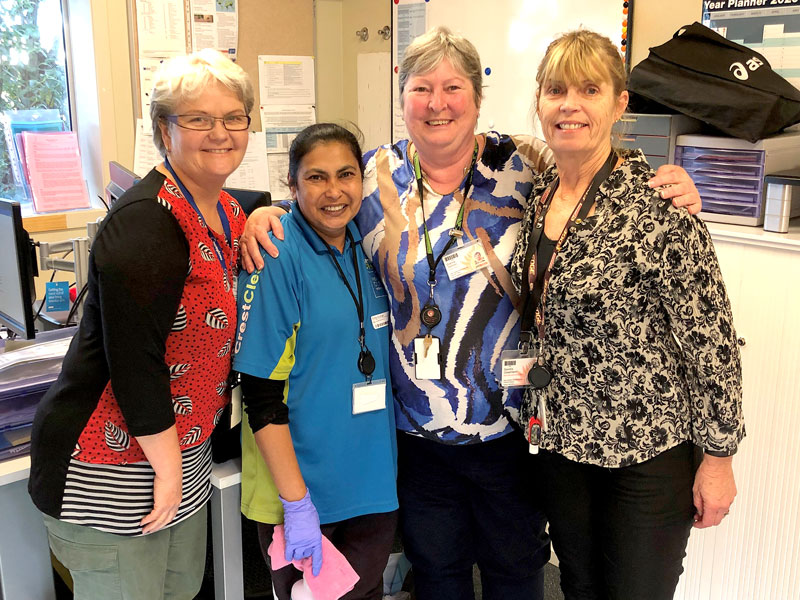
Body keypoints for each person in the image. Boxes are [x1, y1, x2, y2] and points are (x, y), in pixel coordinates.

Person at [241, 26, 702, 600]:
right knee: (438, 573)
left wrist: (670, 178)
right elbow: (320, 198)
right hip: (415, 432)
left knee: (516, 571)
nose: (437, 103)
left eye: (452, 87)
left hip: (511, 427)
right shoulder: (374, 172)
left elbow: (594, 165)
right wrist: (265, 214)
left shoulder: (526, 163)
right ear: (402, 96)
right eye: (421, 88)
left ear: (477, 98)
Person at [509, 30, 745, 600]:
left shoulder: (657, 204)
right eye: (556, 90)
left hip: (645, 452)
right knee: (580, 587)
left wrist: (718, 459)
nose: (569, 104)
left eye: (589, 90)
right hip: (563, 443)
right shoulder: (540, 194)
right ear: (539, 102)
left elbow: (712, 342)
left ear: (620, 104)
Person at [28, 49, 252, 599]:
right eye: (198, 118)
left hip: (181, 458)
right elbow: (134, 363)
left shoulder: (225, 210)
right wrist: (169, 473)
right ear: (163, 129)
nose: (219, 132)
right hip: (111, 468)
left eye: (233, 117)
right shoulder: (146, 222)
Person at [233, 123, 398, 600]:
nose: (333, 191)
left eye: (346, 175)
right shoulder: (276, 253)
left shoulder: (365, 242)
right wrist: (297, 502)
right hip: (302, 489)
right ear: (292, 185)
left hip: (370, 481)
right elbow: (261, 395)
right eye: (316, 177)